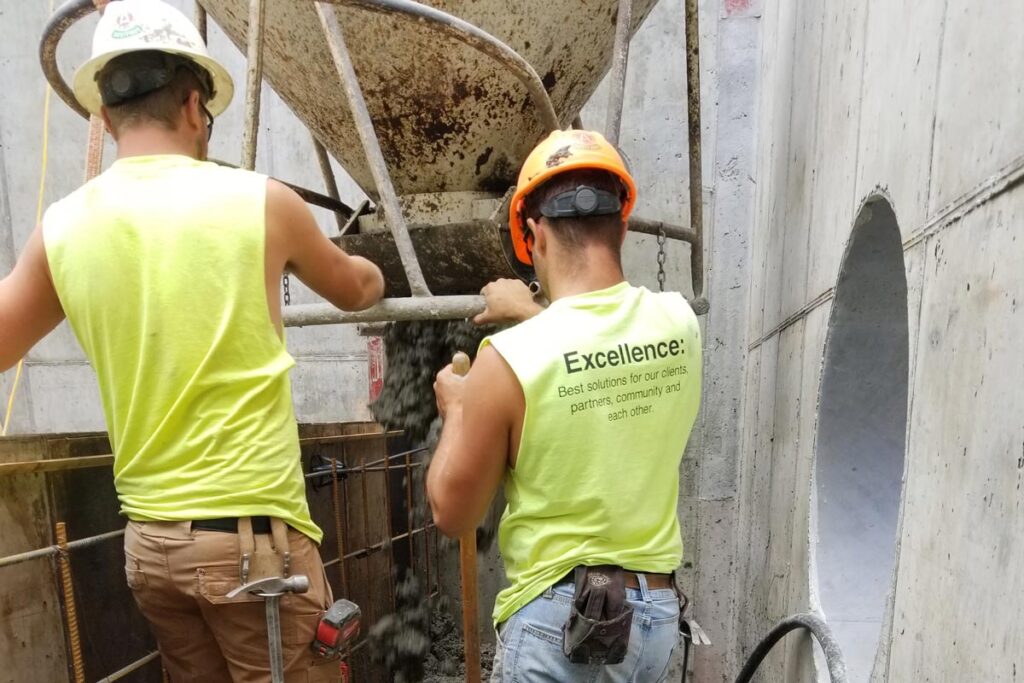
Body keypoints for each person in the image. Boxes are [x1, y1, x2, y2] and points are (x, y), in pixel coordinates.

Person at [0, 1, 384, 680]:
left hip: (152, 549)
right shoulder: (261, 201)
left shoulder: (62, 228)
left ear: (108, 115)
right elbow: (354, 289)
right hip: (251, 553)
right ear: (192, 103)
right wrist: (376, 265)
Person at [427, 129, 702, 682]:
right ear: (622, 224)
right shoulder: (680, 324)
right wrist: (535, 311)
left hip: (560, 621)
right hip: (653, 618)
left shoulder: (504, 361)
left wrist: (458, 411)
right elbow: (598, 350)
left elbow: (452, 513)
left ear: (531, 236)